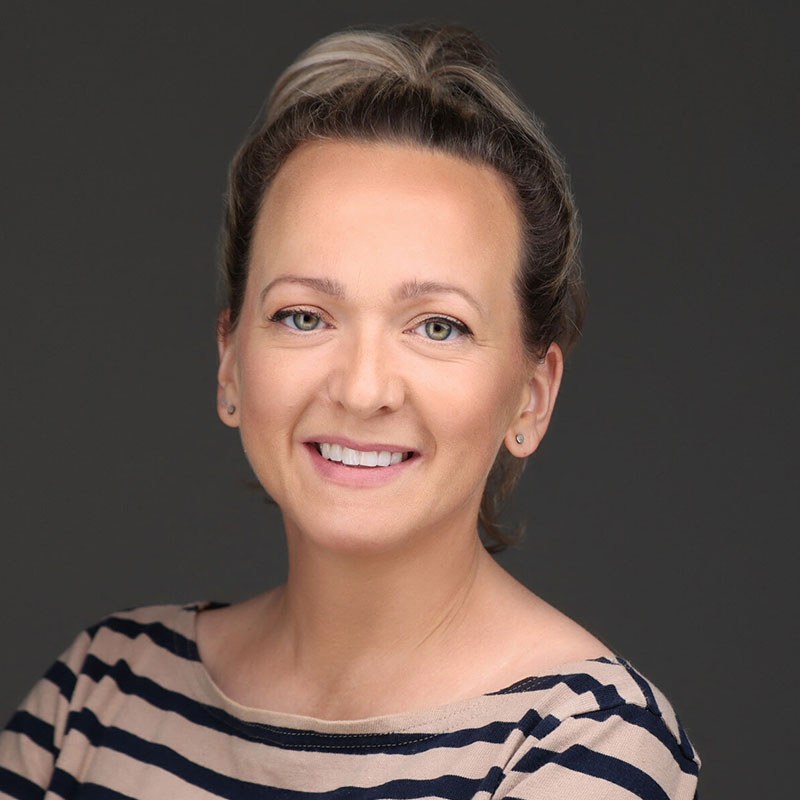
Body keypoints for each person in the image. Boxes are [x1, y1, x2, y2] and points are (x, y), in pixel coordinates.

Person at [0, 23, 700, 799]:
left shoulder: (585, 743)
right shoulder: (100, 694)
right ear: (231, 364)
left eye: (439, 327)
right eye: (304, 316)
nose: (363, 390)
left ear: (532, 397)